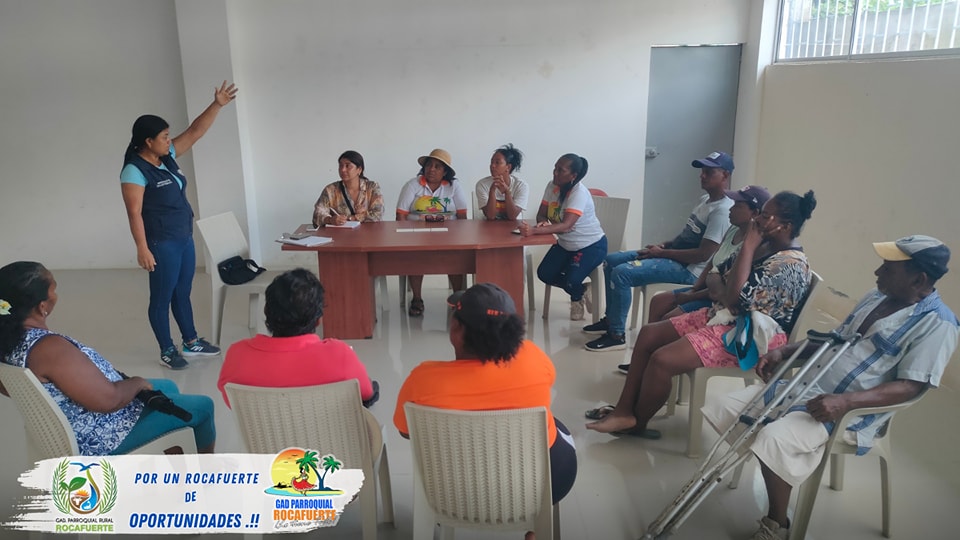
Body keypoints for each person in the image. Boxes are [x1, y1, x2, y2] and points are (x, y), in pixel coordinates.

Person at [703, 235, 957, 540]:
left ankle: (777, 524)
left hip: (850, 411)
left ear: (919, 279)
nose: (877, 272)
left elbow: (910, 386)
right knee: (727, 407)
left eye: (888, 269)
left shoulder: (938, 325)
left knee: (774, 439)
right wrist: (785, 351)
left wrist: (846, 402)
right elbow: (833, 339)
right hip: (808, 386)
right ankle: (770, 466)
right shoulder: (876, 297)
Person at [585, 191, 817, 438]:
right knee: (648, 334)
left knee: (662, 360)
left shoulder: (790, 265)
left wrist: (745, 252)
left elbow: (733, 298)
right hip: (725, 317)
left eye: (766, 216)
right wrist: (725, 288)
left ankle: (636, 423)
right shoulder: (765, 246)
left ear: (785, 226)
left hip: (750, 338)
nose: (757, 220)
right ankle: (623, 410)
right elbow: (717, 273)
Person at [393, 283, 577, 517]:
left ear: (456, 329)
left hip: (453, 495)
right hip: (541, 488)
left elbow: (406, 432)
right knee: (553, 424)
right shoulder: (533, 357)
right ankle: (537, 525)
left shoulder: (422, 381)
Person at [0, 262, 215, 455]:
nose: (56, 294)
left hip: (64, 427)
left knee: (167, 387)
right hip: (99, 437)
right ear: (42, 306)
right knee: (203, 407)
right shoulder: (49, 349)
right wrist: (136, 382)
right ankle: (205, 475)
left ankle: (173, 457)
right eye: (53, 289)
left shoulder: (8, 340)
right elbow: (108, 401)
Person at [119, 81, 238, 369]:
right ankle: (167, 350)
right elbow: (134, 213)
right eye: (164, 136)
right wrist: (142, 248)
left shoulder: (166, 158)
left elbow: (195, 131)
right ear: (148, 141)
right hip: (161, 243)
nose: (169, 140)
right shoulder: (134, 170)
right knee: (161, 298)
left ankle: (191, 342)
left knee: (182, 292)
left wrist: (217, 105)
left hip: (183, 237)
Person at [582, 151, 736, 351]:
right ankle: (611, 320)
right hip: (675, 258)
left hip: (691, 270)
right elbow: (688, 236)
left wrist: (661, 253)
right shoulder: (705, 200)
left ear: (725, 175)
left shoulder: (722, 211)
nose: (702, 175)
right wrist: (665, 245)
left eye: (709, 172)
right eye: (702, 171)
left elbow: (703, 255)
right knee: (611, 260)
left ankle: (616, 335)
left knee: (622, 273)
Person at [217, 268, 376, 407]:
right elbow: (366, 393)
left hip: (267, 433)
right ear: (319, 319)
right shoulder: (339, 354)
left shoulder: (237, 355)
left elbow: (231, 402)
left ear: (266, 311)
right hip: (327, 432)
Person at [640, 185, 771, 333]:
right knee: (658, 301)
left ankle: (658, 341)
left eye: (738, 206)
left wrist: (691, 297)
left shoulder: (752, 245)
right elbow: (712, 262)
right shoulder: (733, 229)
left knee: (669, 318)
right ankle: (652, 339)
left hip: (718, 298)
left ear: (755, 213)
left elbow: (723, 287)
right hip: (706, 288)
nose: (731, 209)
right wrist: (694, 288)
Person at [519, 153, 607, 321]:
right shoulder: (552, 186)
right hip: (566, 244)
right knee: (544, 274)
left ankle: (576, 298)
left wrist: (534, 231)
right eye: (555, 168)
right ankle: (582, 290)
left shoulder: (578, 193)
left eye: (561, 170)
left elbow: (567, 225)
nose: (555, 173)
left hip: (590, 245)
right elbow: (541, 214)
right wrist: (543, 223)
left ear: (573, 175)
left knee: (571, 280)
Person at [396, 148, 469, 317]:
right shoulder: (413, 185)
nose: (432, 169)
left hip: (449, 234)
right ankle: (417, 299)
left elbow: (462, 215)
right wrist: (405, 237)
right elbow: (401, 215)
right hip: (417, 233)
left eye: (437, 166)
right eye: (429, 165)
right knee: (415, 255)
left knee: (456, 257)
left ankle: (457, 298)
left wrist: (461, 237)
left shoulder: (454, 186)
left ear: (445, 172)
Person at [312, 150, 384, 227]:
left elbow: (378, 213)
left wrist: (352, 218)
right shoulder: (330, 190)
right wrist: (330, 220)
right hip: (340, 233)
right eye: (340, 166)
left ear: (359, 169)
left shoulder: (372, 187)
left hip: (368, 232)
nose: (343, 170)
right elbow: (317, 214)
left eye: (348, 166)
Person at [475, 144, 530, 220]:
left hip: (514, 226)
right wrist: (492, 191)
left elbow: (512, 216)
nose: (492, 165)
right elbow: (490, 216)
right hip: (490, 226)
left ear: (508, 167)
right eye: (491, 162)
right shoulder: (482, 184)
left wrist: (507, 192)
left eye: (497, 162)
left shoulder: (521, 186)